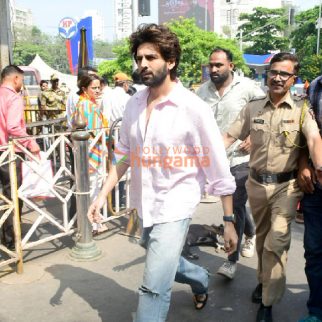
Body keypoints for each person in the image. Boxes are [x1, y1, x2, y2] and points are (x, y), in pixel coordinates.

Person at [87, 23, 238, 322]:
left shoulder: (192, 108)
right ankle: (200, 279)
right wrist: (100, 196)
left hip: (176, 204)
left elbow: (217, 167)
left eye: (151, 57)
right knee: (157, 254)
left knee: (153, 286)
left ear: (170, 62)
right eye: (139, 58)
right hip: (144, 202)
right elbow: (123, 156)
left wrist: (229, 220)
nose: (143, 64)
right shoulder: (133, 104)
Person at [223, 52, 322, 322]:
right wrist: (208, 163)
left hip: (286, 188)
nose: (277, 78)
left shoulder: (303, 109)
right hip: (256, 185)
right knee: (264, 241)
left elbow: (313, 139)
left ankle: (267, 304)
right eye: (273, 72)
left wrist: (320, 167)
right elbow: (230, 136)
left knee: (277, 242)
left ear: (293, 79)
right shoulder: (253, 107)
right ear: (267, 75)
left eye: (284, 74)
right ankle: (264, 280)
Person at [197, 47, 265, 279]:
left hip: (241, 157)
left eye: (219, 65)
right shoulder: (201, 91)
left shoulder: (247, 88)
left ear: (231, 66)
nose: (213, 69)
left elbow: (266, 110)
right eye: (211, 65)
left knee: (235, 204)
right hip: (215, 159)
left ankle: (231, 260)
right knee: (235, 206)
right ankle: (251, 233)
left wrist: (252, 136)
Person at [0, 65, 40, 249]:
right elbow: (14, 128)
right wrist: (32, 144)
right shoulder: (13, 98)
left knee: (3, 199)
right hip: (9, 153)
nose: (21, 83)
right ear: (16, 78)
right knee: (12, 197)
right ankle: (11, 242)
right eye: (22, 80)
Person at [297, 75, 322, 322]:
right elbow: (307, 135)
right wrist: (303, 164)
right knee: (314, 251)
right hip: (316, 185)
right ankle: (316, 310)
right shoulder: (315, 87)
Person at [71, 74, 108, 236]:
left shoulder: (83, 104)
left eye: (99, 87)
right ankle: (91, 224)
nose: (98, 90)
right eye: (94, 88)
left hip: (87, 152)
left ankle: (92, 222)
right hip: (92, 153)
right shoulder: (88, 106)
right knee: (92, 189)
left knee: (90, 188)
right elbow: (96, 132)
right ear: (84, 89)